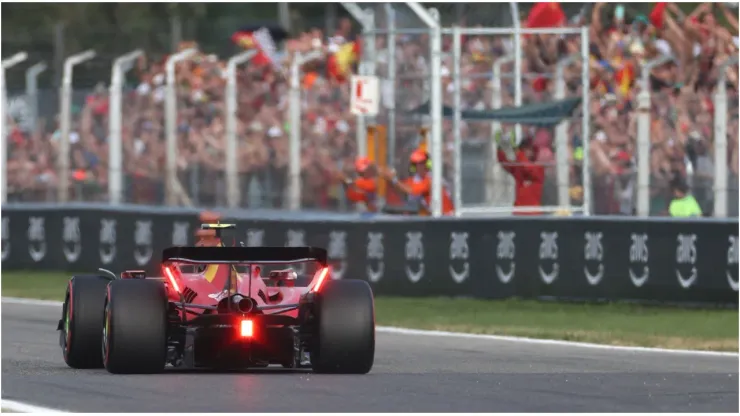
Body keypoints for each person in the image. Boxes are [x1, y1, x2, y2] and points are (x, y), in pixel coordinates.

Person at [379, 149, 455, 216]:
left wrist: (393, 179)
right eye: (416, 164)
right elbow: (402, 189)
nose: (419, 166)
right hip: (433, 216)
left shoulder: (433, 179)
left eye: (422, 163)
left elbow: (411, 191)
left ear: (428, 163)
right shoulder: (415, 179)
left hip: (447, 217)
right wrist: (388, 177)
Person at [496, 134, 545, 215]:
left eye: (529, 149)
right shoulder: (519, 168)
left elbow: (528, 168)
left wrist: (518, 152)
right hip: (519, 212)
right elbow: (505, 163)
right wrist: (500, 147)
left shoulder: (539, 168)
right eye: (523, 149)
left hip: (534, 213)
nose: (526, 152)